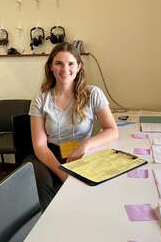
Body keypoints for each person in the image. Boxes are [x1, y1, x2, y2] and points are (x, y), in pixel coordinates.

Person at [28, 42, 118, 211]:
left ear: (79, 66)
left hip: (81, 152)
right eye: (59, 63)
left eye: (70, 63)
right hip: (50, 153)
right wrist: (63, 174)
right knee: (40, 180)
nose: (65, 69)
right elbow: (40, 146)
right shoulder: (40, 100)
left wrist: (86, 144)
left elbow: (112, 130)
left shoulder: (93, 93)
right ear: (51, 67)